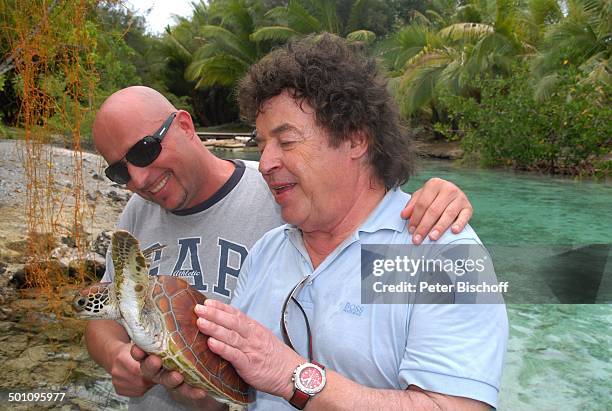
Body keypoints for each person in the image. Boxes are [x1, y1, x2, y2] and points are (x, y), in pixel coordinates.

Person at [87, 82, 474, 410]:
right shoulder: (272, 248)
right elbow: (239, 380)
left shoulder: (287, 203)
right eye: (119, 171)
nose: (137, 178)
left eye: (286, 140)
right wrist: (165, 375)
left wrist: (437, 203)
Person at [193, 33, 508, 410]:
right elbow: (236, 391)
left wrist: (292, 376)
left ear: (356, 139)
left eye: (287, 141)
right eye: (262, 144)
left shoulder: (438, 253)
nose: (264, 163)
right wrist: (187, 377)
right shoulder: (267, 250)